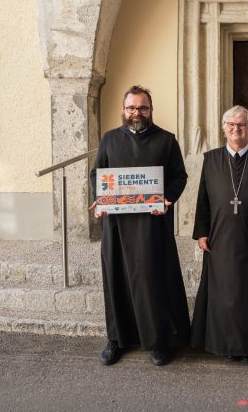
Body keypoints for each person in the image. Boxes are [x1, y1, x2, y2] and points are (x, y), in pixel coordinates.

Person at [91, 85, 189, 367]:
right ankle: (116, 339)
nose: (137, 113)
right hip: (117, 226)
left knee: (153, 281)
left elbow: (179, 177)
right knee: (116, 279)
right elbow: (97, 174)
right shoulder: (109, 139)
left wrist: (168, 198)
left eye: (142, 108)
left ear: (151, 110)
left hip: (152, 227)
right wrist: (100, 199)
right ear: (123, 110)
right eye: (131, 107)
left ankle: (158, 340)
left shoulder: (166, 141)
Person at [190, 105, 248, 363]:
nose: (236, 129)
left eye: (241, 125)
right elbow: (203, 200)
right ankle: (225, 345)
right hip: (219, 238)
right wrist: (201, 233)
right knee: (224, 293)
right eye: (231, 124)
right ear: (224, 129)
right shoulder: (211, 159)